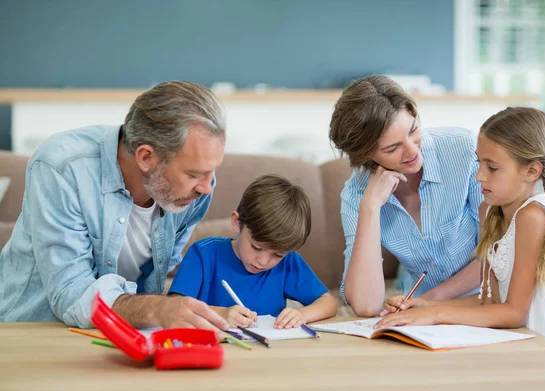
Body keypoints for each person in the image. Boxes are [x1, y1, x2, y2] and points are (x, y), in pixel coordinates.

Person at [0, 81, 230, 336]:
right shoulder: (62, 168)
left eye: (212, 171)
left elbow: (157, 274)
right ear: (145, 157)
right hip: (32, 332)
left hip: (121, 334)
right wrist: (159, 309)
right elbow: (70, 293)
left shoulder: (196, 190)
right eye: (194, 174)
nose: (208, 187)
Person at [375, 107, 545, 362]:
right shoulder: (491, 211)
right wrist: (424, 306)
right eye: (478, 163)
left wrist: (436, 315)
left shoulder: (532, 217)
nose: (479, 175)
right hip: (519, 342)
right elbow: (489, 300)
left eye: (492, 167)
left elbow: (514, 312)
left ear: (532, 171)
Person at [328, 75, 484, 316]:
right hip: (424, 316)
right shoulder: (355, 194)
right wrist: (370, 206)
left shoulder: (464, 150)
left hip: (484, 302)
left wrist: (429, 301)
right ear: (365, 155)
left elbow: (497, 255)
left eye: (413, 130)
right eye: (392, 148)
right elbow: (366, 305)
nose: (412, 151)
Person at [168, 174, 337, 329]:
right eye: (256, 247)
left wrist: (302, 314)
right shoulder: (203, 254)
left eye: (277, 254)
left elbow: (328, 303)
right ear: (236, 222)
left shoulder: (288, 262)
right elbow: (174, 307)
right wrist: (221, 314)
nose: (263, 262)